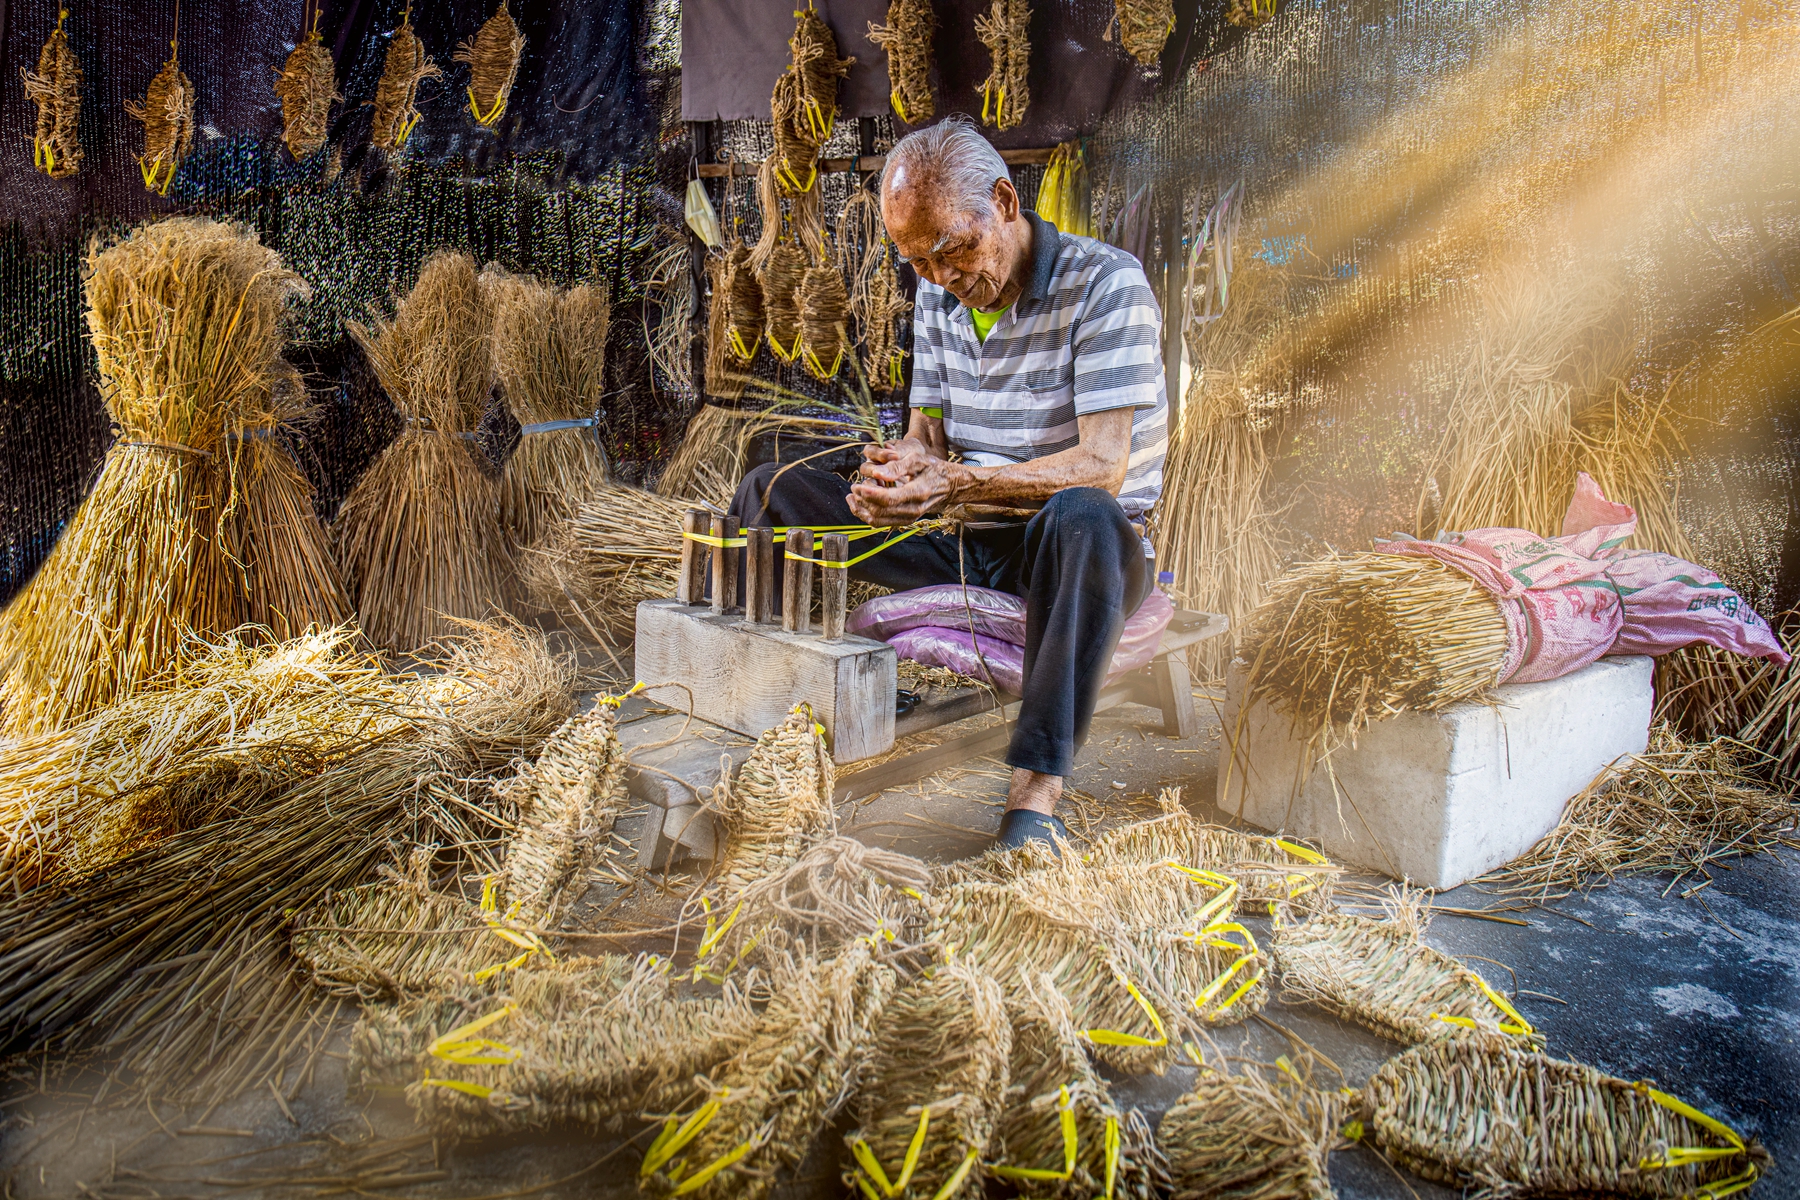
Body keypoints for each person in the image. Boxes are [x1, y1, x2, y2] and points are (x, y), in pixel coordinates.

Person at [727, 115, 1168, 851]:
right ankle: (783, 693)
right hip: (963, 534)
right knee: (776, 488)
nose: (940, 279)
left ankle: (1037, 791)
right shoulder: (938, 297)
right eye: (918, 264)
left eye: (952, 253)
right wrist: (898, 473)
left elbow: (1103, 465)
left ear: (1003, 201)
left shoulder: (1106, 285)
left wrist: (952, 486)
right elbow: (927, 433)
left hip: (1073, 555)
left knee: (1085, 514)